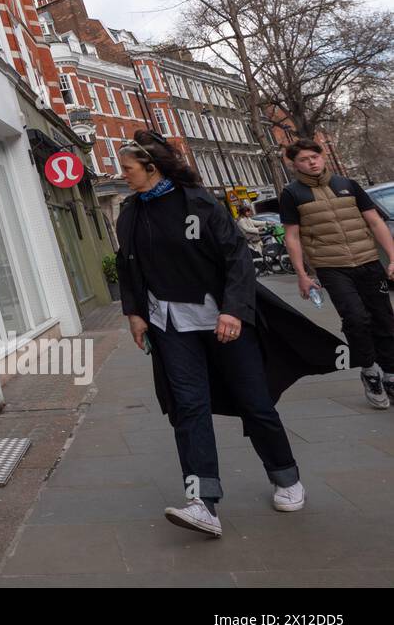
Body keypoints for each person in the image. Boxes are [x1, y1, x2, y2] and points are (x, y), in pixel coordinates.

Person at [117, 130, 305, 538]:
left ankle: (287, 478)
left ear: (152, 168)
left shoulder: (198, 202)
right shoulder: (130, 211)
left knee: (255, 404)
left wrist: (233, 310)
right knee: (188, 409)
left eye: (129, 169)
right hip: (169, 327)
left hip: (222, 322)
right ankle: (203, 503)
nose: (123, 175)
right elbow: (128, 266)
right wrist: (134, 313)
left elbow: (237, 257)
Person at [280, 139, 394, 409]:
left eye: (315, 156)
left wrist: (392, 257)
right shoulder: (292, 194)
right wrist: (302, 274)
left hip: (367, 260)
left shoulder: (347, 184)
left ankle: (390, 374)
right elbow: (292, 237)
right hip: (331, 266)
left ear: (323, 157)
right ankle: (369, 371)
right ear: (294, 165)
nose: (312, 162)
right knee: (356, 318)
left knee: (384, 320)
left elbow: (375, 221)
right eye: (305, 159)